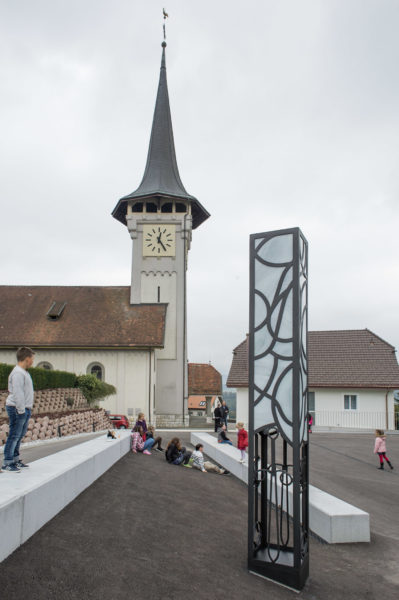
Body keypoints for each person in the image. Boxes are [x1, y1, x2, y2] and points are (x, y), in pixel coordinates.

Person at [2, 346, 35, 473]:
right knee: (14, 435)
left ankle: (15, 459)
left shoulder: (24, 372)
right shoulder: (17, 373)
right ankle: (7, 462)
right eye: (32, 359)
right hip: (17, 408)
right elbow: (18, 393)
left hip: (24, 408)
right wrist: (21, 410)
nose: (32, 361)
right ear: (27, 359)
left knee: (19, 435)